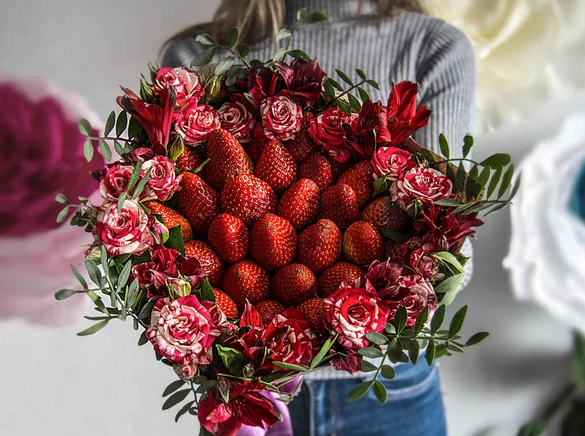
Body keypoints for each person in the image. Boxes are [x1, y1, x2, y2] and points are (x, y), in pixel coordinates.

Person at [161, 1, 476, 435]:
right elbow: (170, 245)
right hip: (251, 397)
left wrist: (426, 275)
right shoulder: (190, 56)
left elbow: (451, 239)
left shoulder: (434, 47)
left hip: (384, 391)